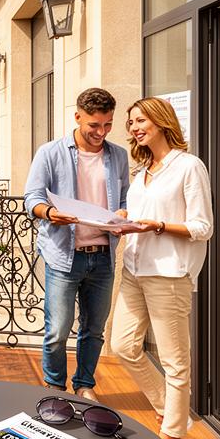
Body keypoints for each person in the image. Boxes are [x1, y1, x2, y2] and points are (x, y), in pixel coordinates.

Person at [111, 96, 213, 439]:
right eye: (131, 123)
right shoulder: (142, 172)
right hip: (134, 269)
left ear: (161, 120)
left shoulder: (188, 166)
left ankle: (172, 435)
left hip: (168, 273)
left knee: (174, 360)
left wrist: (158, 226)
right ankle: (169, 408)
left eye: (141, 120)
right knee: (123, 345)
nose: (135, 128)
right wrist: (123, 218)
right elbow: (140, 214)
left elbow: (203, 227)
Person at [24, 88, 131, 402]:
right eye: (94, 125)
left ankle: (84, 386)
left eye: (108, 124)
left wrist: (124, 213)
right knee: (58, 329)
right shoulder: (50, 153)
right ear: (77, 117)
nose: (101, 132)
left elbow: (125, 199)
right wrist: (50, 213)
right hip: (64, 255)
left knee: (94, 329)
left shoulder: (118, 155)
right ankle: (54, 387)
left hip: (103, 257)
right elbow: (33, 197)